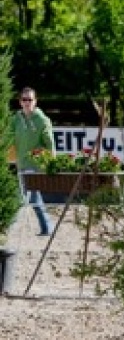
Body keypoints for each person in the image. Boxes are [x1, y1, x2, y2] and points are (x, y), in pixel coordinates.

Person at [9, 87, 54, 235]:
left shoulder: (42, 120)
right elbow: (9, 138)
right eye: (24, 99)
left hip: (35, 164)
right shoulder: (16, 119)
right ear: (20, 102)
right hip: (21, 163)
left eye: (30, 99)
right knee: (34, 197)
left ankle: (9, 227)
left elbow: (50, 143)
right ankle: (47, 226)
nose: (27, 102)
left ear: (35, 101)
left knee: (26, 196)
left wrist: (51, 162)